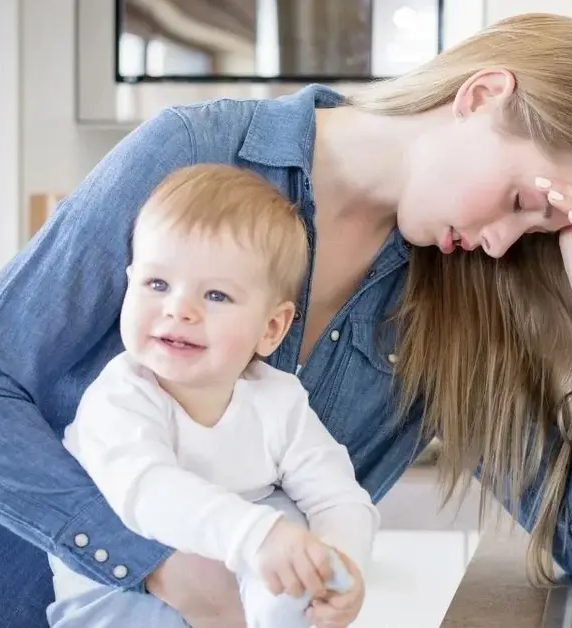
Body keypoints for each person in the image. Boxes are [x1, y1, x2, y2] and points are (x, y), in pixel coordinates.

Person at [0, 12, 572, 628]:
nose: (503, 243)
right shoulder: (195, 154)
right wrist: (155, 567)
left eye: (537, 231)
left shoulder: (460, 304)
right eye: (517, 202)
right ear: (482, 94)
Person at [45, 163, 377, 628]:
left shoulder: (278, 402)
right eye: (157, 284)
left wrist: (339, 568)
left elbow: (339, 497)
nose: (179, 308)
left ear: (272, 328)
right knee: (276, 526)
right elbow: (148, 491)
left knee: (296, 539)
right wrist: (257, 535)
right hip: (118, 595)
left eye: (217, 295)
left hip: (238, 582)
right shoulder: (120, 396)